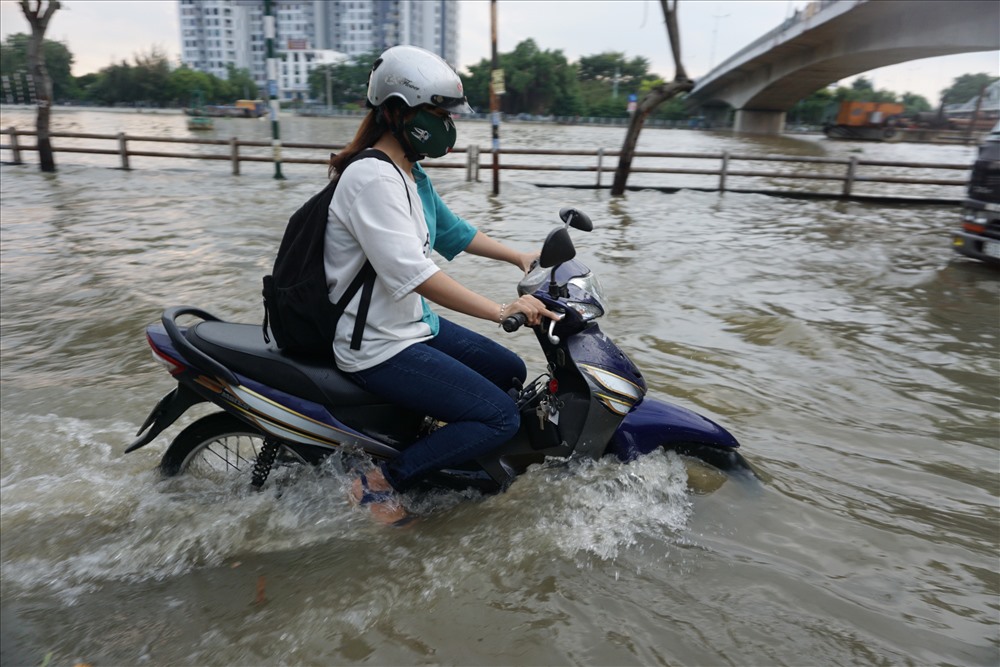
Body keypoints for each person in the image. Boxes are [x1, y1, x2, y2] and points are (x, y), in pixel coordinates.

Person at [325, 45, 556, 524]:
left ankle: (441, 446)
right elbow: (415, 275)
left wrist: (520, 256)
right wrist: (500, 310)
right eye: (438, 113)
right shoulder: (371, 179)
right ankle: (380, 480)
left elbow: (454, 232)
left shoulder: (409, 172)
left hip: (410, 325)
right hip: (377, 344)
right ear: (396, 112)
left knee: (510, 370)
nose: (448, 125)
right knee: (500, 416)